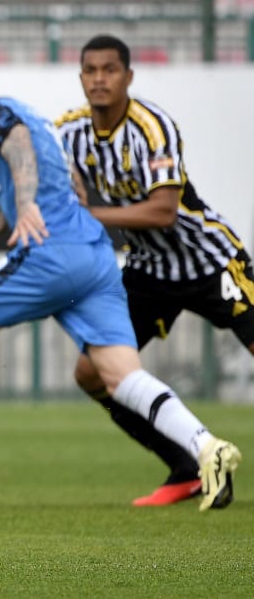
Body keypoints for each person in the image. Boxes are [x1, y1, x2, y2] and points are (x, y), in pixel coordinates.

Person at [0, 37, 240, 511]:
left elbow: (17, 146)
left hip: (52, 254)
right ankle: (209, 448)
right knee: (121, 377)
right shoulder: (14, 124)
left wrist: (25, 205)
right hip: (95, 260)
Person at [56, 33, 254, 506]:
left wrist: (89, 216)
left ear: (128, 76)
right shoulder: (68, 131)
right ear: (81, 76)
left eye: (110, 69)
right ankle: (186, 466)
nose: (99, 79)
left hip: (209, 258)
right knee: (91, 373)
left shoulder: (152, 126)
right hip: (150, 268)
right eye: (90, 70)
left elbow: (163, 211)